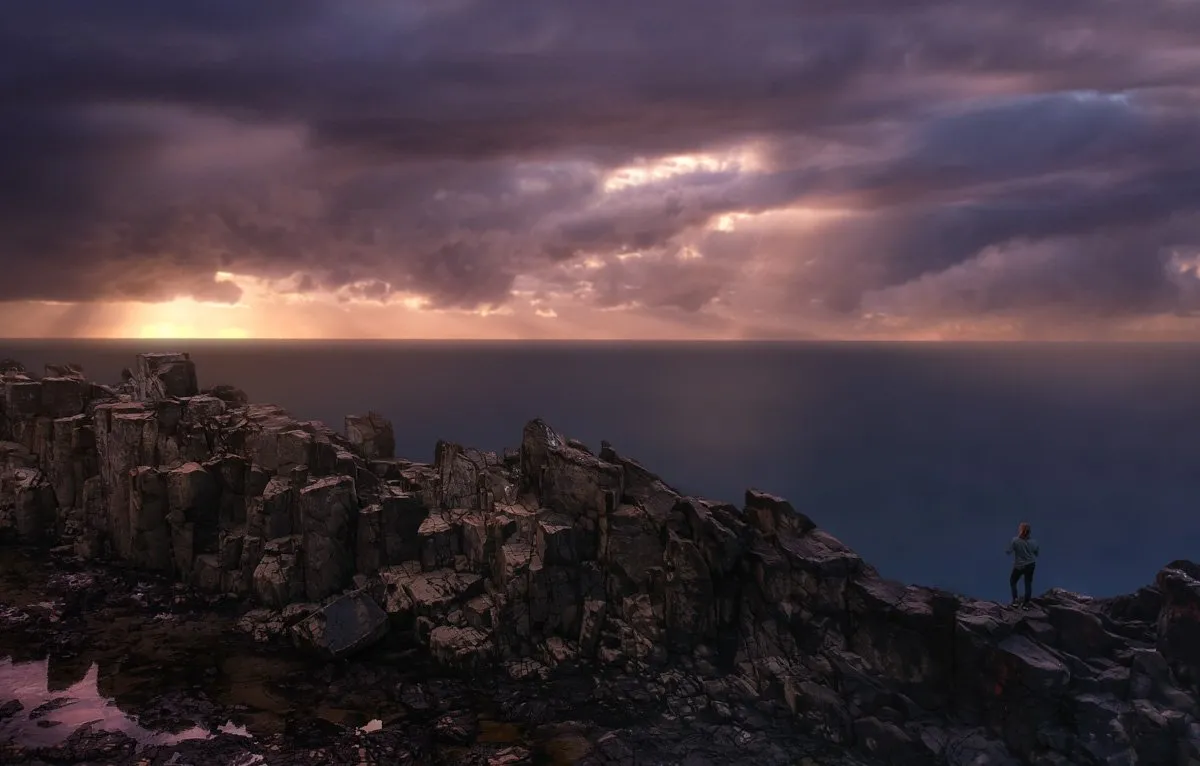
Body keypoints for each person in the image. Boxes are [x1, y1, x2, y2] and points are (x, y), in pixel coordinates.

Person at [1005, 522, 1039, 608]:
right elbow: (1036, 553)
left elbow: (1008, 551)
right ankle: (1026, 604)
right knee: (1028, 583)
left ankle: (1015, 601)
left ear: (1020, 530)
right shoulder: (1034, 542)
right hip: (1031, 564)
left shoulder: (1015, 540)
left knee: (1013, 581)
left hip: (1019, 565)